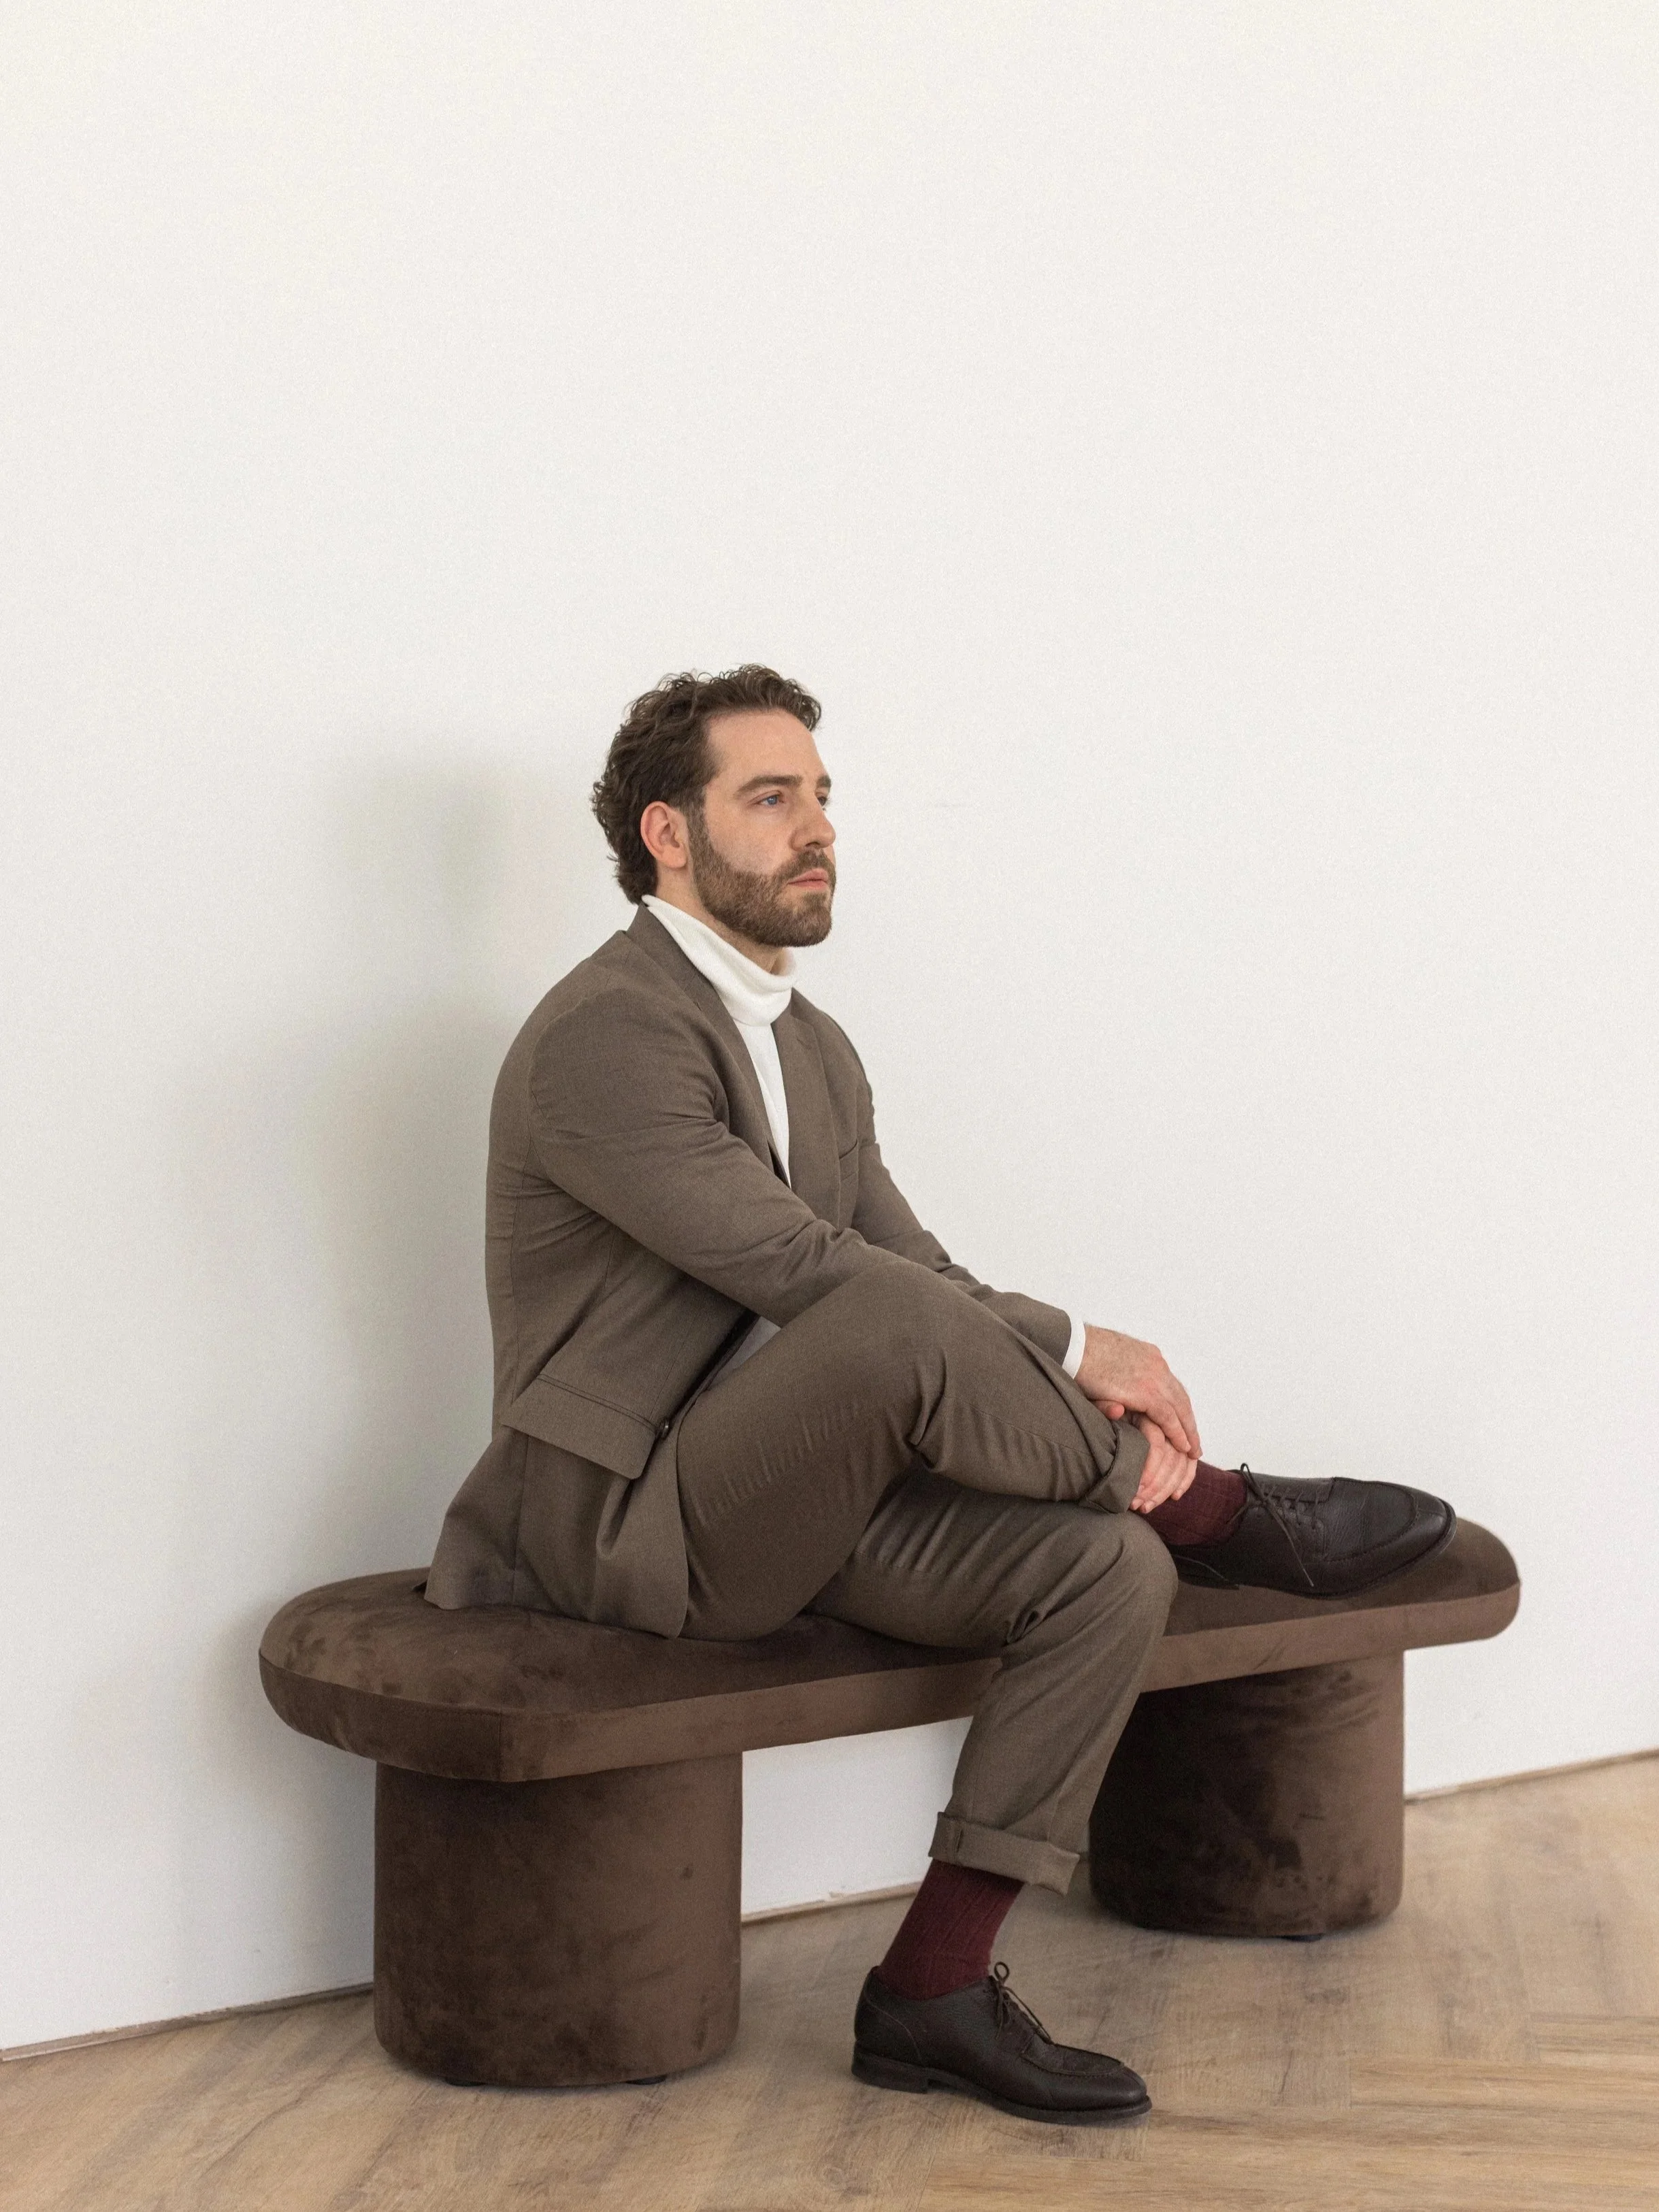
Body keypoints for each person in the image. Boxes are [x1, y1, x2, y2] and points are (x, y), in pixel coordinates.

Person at [426, 664, 1453, 2127]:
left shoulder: (816, 1050)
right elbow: (801, 1266)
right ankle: (1224, 1508)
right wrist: (1082, 1344)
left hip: (794, 1494)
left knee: (1103, 1566)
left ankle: (932, 1986)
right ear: (667, 832)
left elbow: (915, 1264)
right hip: (628, 1519)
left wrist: (1061, 1350)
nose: (814, 827)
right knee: (888, 1315)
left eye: (822, 796)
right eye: (768, 797)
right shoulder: (608, 1029)